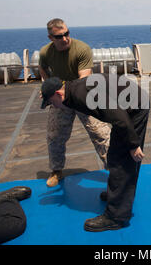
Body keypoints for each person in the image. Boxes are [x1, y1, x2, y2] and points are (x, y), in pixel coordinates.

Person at [40, 74, 149, 232]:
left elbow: (117, 115)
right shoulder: (70, 90)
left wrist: (133, 144)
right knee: (113, 156)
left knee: (122, 162)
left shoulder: (81, 95)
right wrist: (45, 91)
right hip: (125, 109)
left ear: (59, 94)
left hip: (133, 109)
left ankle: (116, 216)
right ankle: (116, 196)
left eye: (51, 102)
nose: (54, 106)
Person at [39, 18, 111, 187]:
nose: (64, 39)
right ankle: (56, 170)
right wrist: (48, 87)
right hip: (60, 97)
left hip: (83, 96)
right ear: (51, 38)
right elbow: (42, 68)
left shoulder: (82, 49)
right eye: (59, 36)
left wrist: (65, 93)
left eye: (67, 34)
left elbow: (83, 80)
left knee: (102, 134)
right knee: (55, 136)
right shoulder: (45, 52)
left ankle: (114, 169)